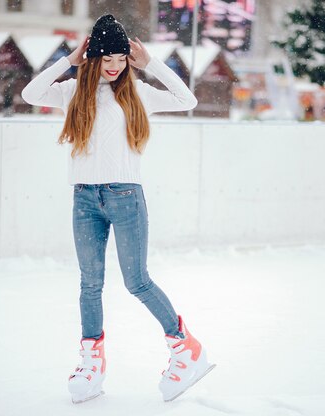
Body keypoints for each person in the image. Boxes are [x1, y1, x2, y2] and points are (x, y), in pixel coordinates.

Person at [21, 14, 215, 404]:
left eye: (120, 57)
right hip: (84, 199)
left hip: (126, 197)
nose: (113, 64)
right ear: (92, 58)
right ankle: (92, 361)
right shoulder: (72, 91)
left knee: (137, 281)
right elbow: (30, 93)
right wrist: (68, 60)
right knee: (89, 283)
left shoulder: (138, 92)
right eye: (106, 57)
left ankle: (185, 348)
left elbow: (187, 100)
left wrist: (152, 63)